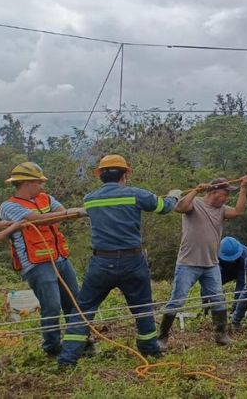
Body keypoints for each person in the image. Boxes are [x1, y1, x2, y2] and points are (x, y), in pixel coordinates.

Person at [58, 155, 179, 368]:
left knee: (83, 310)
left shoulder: (90, 199)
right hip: (132, 261)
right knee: (142, 307)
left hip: (101, 262)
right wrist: (174, 197)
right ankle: (150, 350)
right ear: (125, 174)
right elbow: (164, 207)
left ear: (100, 176)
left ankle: (67, 360)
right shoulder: (136, 195)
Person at [0, 162, 86, 357]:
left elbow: (60, 212)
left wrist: (66, 213)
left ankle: (80, 341)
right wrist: (64, 214)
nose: (41, 186)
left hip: (60, 258)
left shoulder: (45, 198)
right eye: (38, 182)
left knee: (74, 302)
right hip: (37, 264)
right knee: (52, 306)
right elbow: (37, 219)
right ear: (26, 183)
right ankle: (52, 348)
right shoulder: (9, 206)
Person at [156, 176, 247, 351]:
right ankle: (162, 337)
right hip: (188, 263)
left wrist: (244, 188)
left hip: (211, 264)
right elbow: (179, 207)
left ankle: (221, 334)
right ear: (214, 192)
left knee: (218, 299)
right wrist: (195, 191)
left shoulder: (222, 210)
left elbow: (238, 212)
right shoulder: (196, 203)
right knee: (177, 300)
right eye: (225, 194)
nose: (226, 198)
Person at [218, 236, 247, 312]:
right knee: (213, 283)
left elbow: (242, 283)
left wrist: (236, 305)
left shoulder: (246, 256)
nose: (231, 260)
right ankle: (210, 305)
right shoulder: (215, 253)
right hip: (226, 270)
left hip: (242, 268)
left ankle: (240, 306)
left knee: (246, 287)